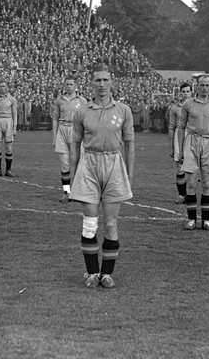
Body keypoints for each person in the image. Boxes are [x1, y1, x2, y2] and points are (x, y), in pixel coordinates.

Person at [68, 63, 134, 289]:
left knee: (111, 223)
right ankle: (91, 272)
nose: (102, 84)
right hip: (89, 165)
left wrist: (129, 174)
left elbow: (129, 144)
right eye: (98, 80)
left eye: (106, 80)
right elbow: (75, 144)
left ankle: (106, 274)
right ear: (92, 83)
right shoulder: (82, 111)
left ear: (112, 82)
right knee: (89, 222)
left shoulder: (123, 110)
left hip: (114, 164)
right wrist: (74, 173)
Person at [177, 74, 209, 231]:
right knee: (191, 182)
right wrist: (181, 148)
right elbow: (181, 126)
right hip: (192, 142)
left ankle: (206, 220)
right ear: (196, 86)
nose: (204, 88)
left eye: (207, 85)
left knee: (207, 183)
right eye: (202, 85)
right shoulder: (188, 104)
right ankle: (191, 220)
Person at [53, 75, 87, 201]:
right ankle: (67, 192)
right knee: (64, 164)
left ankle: (79, 192)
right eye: (67, 84)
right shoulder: (59, 100)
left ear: (76, 86)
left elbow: (86, 118)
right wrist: (54, 136)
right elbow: (55, 117)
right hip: (62, 130)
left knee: (78, 163)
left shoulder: (82, 101)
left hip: (75, 131)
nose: (69, 86)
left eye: (71, 84)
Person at [167, 82, 193, 204]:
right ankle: (182, 195)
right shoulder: (174, 108)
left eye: (188, 91)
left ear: (191, 92)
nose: (186, 94)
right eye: (184, 92)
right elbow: (171, 127)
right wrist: (171, 146)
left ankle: (191, 194)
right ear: (180, 93)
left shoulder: (196, 106)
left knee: (193, 166)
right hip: (179, 135)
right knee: (180, 166)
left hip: (193, 135)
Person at [0, 80, 18, 177]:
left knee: (9, 148)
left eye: (4, 86)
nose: (2, 88)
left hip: (8, 121)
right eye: (0, 86)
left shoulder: (12, 99)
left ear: (7, 88)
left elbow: (14, 114)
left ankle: (8, 170)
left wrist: (14, 128)